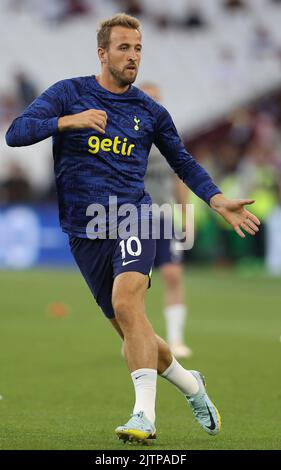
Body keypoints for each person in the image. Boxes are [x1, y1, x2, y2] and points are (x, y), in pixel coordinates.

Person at [5, 13, 260, 445]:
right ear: (102, 53)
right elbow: (16, 133)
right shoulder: (69, 94)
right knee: (130, 325)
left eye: (138, 48)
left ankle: (144, 415)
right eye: (124, 48)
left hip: (133, 217)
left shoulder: (150, 110)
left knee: (128, 302)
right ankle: (191, 384)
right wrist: (68, 121)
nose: (133, 56)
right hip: (83, 231)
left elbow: (184, 162)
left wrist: (217, 200)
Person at [140, 82, 192, 359]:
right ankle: (140, 337)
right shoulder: (126, 135)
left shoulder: (169, 135)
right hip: (133, 218)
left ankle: (175, 338)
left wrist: (185, 213)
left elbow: (178, 176)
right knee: (135, 282)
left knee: (172, 275)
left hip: (163, 217)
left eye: (157, 99)